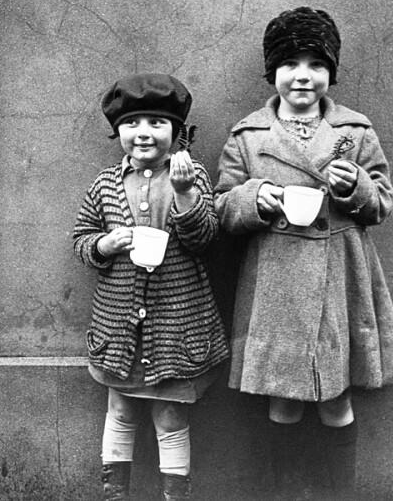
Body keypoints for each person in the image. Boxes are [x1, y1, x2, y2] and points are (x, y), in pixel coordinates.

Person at [213, 7, 393, 498]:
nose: (303, 76)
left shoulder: (356, 132)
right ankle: (283, 493)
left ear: (331, 73)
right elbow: (219, 207)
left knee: (336, 401)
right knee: (283, 402)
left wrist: (357, 185)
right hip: (276, 282)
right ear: (272, 72)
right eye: (290, 64)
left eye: (316, 65)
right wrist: (253, 199)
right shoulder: (248, 136)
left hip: (339, 277)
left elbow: (382, 202)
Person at [73, 73, 229, 501]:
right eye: (133, 123)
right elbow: (81, 238)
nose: (144, 133)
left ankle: (175, 494)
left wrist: (182, 195)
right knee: (120, 410)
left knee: (169, 417)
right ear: (118, 131)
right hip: (119, 328)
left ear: (178, 134)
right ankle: (114, 493)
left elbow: (205, 238)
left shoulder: (190, 174)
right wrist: (103, 244)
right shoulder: (105, 184)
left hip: (176, 327)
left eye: (157, 123)